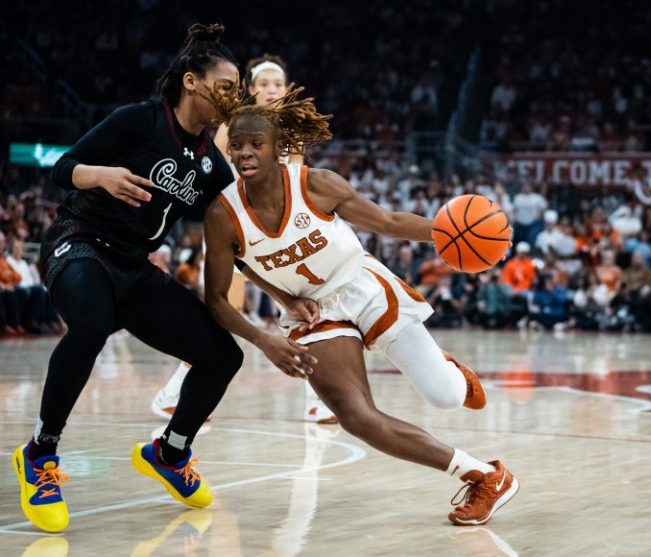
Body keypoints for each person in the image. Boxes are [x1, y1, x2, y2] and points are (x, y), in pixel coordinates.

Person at [11, 24, 303, 533]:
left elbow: (238, 246)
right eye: (226, 86)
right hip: (79, 241)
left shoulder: (213, 166)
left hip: (134, 267)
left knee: (223, 356)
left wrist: (284, 297)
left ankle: (169, 453)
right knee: (91, 322)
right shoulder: (140, 121)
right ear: (191, 81)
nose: (233, 96)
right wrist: (100, 175)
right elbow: (62, 166)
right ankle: (39, 454)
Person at [203, 89, 517, 526]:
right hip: (315, 315)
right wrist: (266, 336)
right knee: (356, 417)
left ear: (278, 148)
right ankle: (484, 476)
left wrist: (452, 235)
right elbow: (218, 295)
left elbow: (388, 222)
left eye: (256, 143)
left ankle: (451, 374)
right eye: (237, 145)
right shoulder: (223, 215)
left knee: (444, 396)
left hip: (361, 285)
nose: (244, 152)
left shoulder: (316, 184)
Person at [153, 53, 338, 424]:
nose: (271, 90)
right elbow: (215, 176)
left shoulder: (294, 132)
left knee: (306, 310)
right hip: (235, 227)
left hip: (277, 232)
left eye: (277, 84)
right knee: (225, 314)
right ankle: (172, 394)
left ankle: (317, 400)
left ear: (287, 89)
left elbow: (295, 187)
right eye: (264, 84)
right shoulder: (232, 124)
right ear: (251, 90)